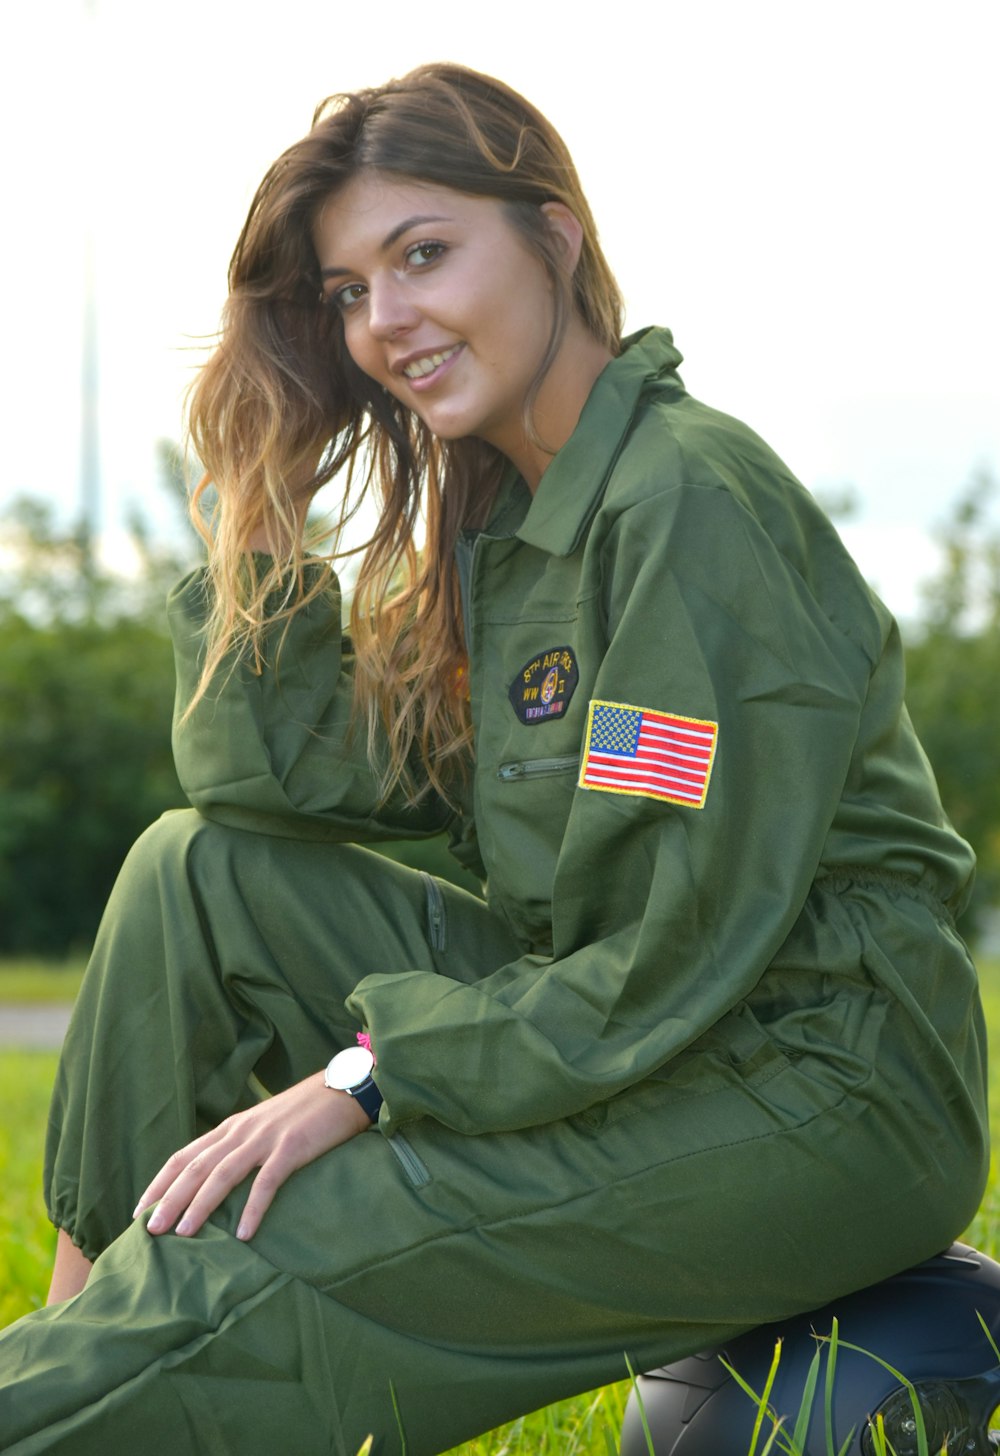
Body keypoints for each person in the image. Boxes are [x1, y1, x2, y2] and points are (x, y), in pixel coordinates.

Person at [0, 62, 988, 1456]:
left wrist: (366, 1077)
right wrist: (260, 493)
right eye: (346, 291)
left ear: (555, 238)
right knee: (194, 877)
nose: (384, 321)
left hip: (812, 1093)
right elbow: (262, 778)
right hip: (646, 1039)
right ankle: (79, 1339)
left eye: (423, 255)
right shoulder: (508, 538)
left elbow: (669, 955)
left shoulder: (689, 500)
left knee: (301, 1244)